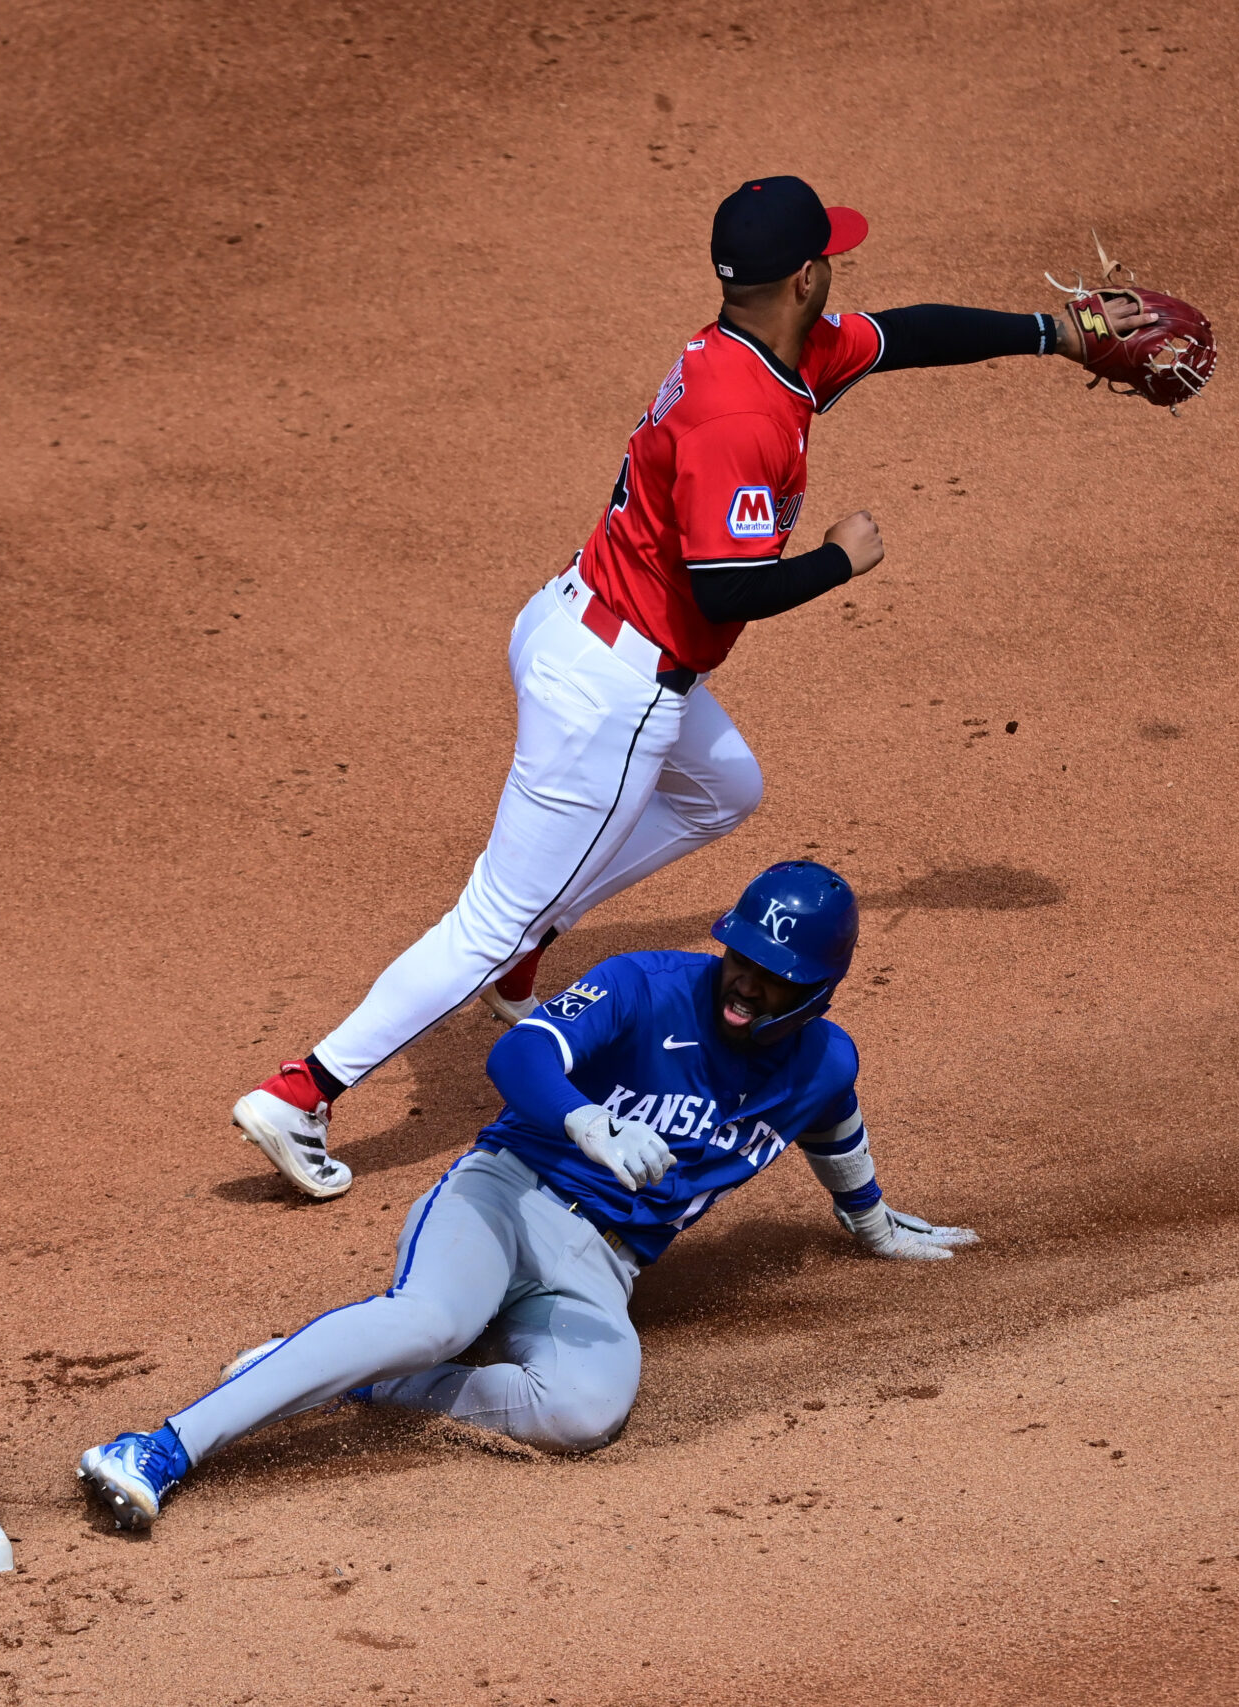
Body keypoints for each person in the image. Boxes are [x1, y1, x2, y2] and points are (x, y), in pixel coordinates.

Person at [232, 175, 1154, 1201]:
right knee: (489, 916)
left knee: (725, 791)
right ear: (806, 275)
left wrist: (1048, 332)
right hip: (614, 693)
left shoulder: (760, 343)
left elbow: (903, 335)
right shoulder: (737, 413)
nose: (839, 272)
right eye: (831, 257)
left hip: (574, 618)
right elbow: (728, 584)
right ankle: (301, 1090)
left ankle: (522, 951)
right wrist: (841, 562)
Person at [85, 862, 975, 1528]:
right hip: (506, 1195)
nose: (748, 982)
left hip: (601, 1269)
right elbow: (518, 1055)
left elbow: (831, 1116)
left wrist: (867, 1218)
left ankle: (359, 1379)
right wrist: (586, 1119)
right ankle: (161, 1446)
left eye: (776, 974)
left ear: (819, 989)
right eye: (742, 956)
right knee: (431, 1317)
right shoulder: (643, 984)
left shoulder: (824, 1058)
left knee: (588, 1410)